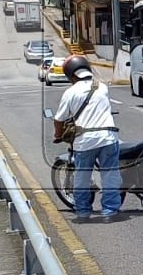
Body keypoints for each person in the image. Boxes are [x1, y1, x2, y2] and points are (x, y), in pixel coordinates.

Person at [51, 56, 123, 222]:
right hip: (108, 137)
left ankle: (83, 212)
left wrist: (57, 135)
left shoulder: (70, 92)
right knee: (110, 175)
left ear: (71, 75)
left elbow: (59, 119)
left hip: (85, 141)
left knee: (82, 177)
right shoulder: (102, 87)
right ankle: (110, 211)